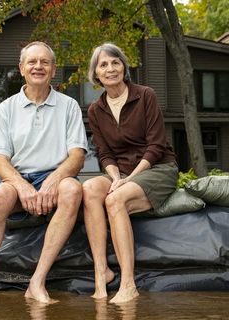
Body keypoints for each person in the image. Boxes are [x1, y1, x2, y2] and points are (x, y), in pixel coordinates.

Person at [0, 41, 88, 310]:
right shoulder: (6, 108)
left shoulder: (69, 105)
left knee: (72, 190)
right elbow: (0, 160)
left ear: (53, 69)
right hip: (18, 177)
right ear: (21, 68)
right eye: (32, 62)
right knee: (1, 194)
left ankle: (37, 282)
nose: (38, 66)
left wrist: (53, 180)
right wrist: (23, 186)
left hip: (56, 176)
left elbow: (77, 157)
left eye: (45, 62)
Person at [83, 43, 178, 304]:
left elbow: (156, 145)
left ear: (124, 66)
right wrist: (115, 178)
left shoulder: (145, 95)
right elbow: (104, 154)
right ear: (96, 74)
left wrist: (128, 179)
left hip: (157, 167)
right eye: (103, 65)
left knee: (114, 200)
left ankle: (128, 284)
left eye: (115, 62)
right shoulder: (95, 110)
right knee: (89, 189)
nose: (110, 68)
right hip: (121, 172)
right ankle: (101, 272)